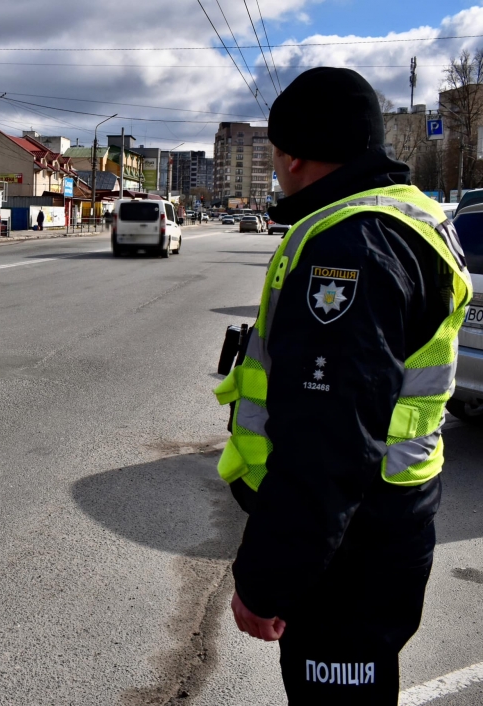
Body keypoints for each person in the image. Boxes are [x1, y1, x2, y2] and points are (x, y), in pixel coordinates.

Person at [214, 67, 472, 705]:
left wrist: (268, 581)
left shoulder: (349, 245)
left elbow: (330, 444)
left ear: (294, 155)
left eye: (274, 155)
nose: (275, 170)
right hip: (387, 521)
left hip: (354, 545)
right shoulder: (406, 215)